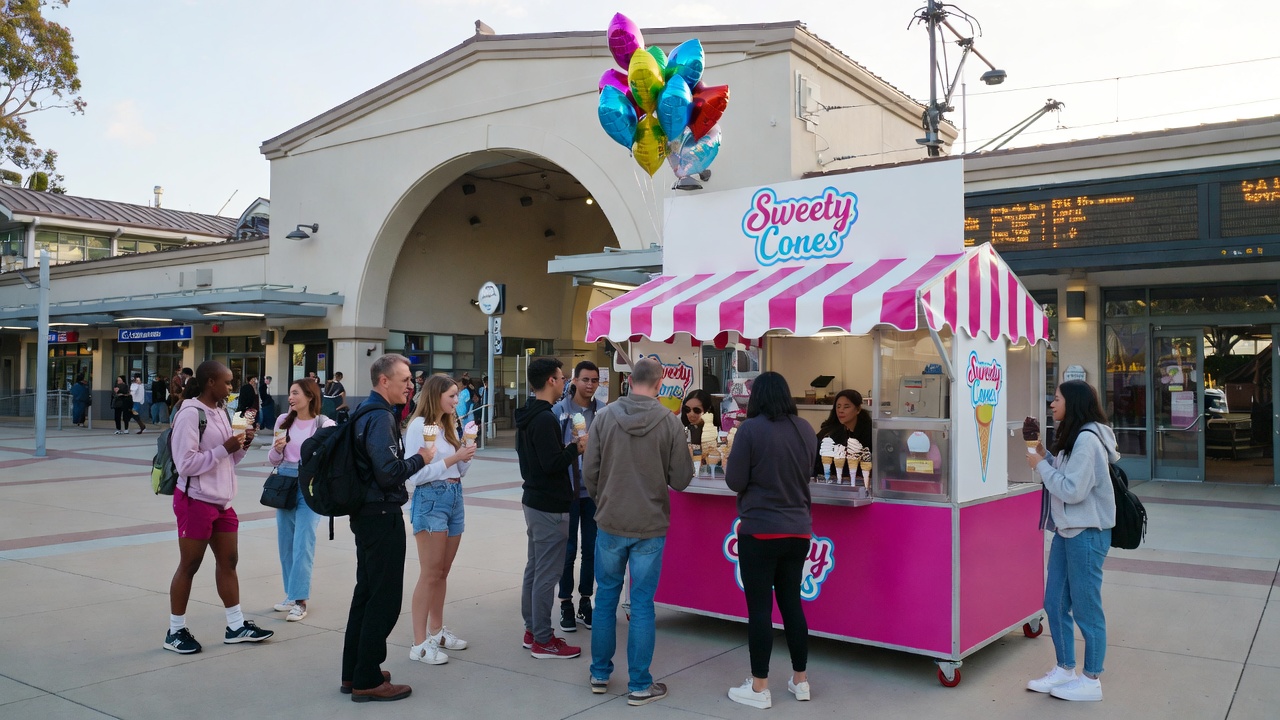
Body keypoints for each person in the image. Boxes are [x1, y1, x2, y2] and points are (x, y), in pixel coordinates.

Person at [583, 357, 694, 706]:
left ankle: (599, 674)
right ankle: (640, 684)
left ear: (629, 381)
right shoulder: (670, 422)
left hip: (611, 521)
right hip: (650, 524)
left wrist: (604, 501)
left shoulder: (604, 417)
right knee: (643, 604)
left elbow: (590, 471)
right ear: (660, 384)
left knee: (605, 599)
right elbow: (681, 479)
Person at [341, 354, 434, 703]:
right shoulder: (380, 416)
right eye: (405, 379)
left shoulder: (364, 411)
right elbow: (388, 472)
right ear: (384, 381)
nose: (410, 385)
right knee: (384, 598)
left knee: (366, 593)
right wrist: (421, 458)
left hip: (366, 513)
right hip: (380, 514)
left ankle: (354, 671)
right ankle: (366, 678)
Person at [164, 361, 273, 655]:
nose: (230, 387)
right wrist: (224, 448)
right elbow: (185, 464)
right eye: (226, 382)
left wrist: (242, 445)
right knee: (190, 564)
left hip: (222, 502)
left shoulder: (222, 412)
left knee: (229, 561)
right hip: (195, 500)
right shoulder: (190, 414)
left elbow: (229, 460)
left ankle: (236, 626)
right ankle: (175, 631)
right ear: (210, 382)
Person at [723, 372, 817, 708]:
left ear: (758, 397)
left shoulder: (750, 430)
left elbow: (735, 481)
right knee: (792, 604)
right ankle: (801, 680)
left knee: (760, 610)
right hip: (799, 530)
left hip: (760, 530)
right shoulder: (805, 429)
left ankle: (760, 687)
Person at [1025, 379, 1118, 702]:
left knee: (1086, 609)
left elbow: (1072, 490)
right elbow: (1065, 475)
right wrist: (1043, 455)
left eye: (1057, 398)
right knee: (1054, 602)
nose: (1052, 404)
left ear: (1073, 403)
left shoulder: (1087, 441)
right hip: (1067, 531)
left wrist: (1041, 467)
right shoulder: (1074, 436)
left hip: (1087, 533)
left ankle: (1091, 680)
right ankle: (1065, 669)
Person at [515, 357, 586, 660]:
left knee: (535, 569)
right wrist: (575, 448)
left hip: (535, 501)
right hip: (549, 506)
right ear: (550, 381)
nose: (565, 381)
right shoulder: (544, 419)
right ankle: (543, 639)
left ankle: (533, 630)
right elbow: (551, 464)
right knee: (546, 574)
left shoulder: (529, 415)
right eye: (561, 377)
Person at [403, 374, 477, 666]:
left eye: (457, 395)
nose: (457, 401)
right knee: (430, 573)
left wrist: (466, 455)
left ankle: (436, 632)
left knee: (442, 572)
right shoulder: (419, 426)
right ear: (436, 396)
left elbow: (458, 471)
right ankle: (419, 643)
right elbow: (416, 475)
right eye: (452, 396)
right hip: (431, 499)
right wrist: (453, 458)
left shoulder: (448, 425)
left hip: (454, 496)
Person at [267, 378, 334, 622]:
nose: (290, 397)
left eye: (295, 393)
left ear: (310, 396)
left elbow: (332, 459)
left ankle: (300, 600)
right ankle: (291, 594)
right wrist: (277, 449)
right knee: (286, 543)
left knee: (303, 542)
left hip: (310, 485)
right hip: (284, 482)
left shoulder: (324, 424)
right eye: (290, 393)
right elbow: (273, 459)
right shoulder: (283, 421)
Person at [551, 360, 604, 634]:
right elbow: (553, 452)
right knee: (568, 549)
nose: (590, 384)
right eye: (585, 379)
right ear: (574, 381)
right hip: (567, 491)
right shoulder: (560, 411)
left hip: (593, 491)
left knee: (592, 549)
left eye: (594, 380)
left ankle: (585, 601)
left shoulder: (602, 411)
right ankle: (565, 603)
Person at [814, 389, 873, 480]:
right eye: (838, 406)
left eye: (846, 407)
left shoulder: (870, 433)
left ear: (858, 409)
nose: (840, 410)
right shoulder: (828, 433)